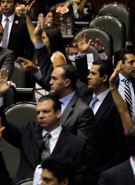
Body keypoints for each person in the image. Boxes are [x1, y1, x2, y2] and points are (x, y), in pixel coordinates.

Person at [0, 69, 88, 185]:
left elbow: (81, 179)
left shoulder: (75, 144)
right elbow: (0, 125)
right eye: (38, 112)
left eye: (46, 112)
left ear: (58, 113)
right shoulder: (28, 131)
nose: (40, 116)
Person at [27, 13, 94, 146]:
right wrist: (29, 19)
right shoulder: (48, 54)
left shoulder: (57, 57)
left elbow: (54, 81)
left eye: (44, 38)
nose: (51, 81)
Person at [76, 56, 128, 185]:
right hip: (80, 171)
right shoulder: (83, 96)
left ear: (105, 78)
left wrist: (108, 172)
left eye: (93, 74)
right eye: (89, 73)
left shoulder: (116, 105)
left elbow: (121, 147)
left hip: (102, 172)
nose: (88, 77)